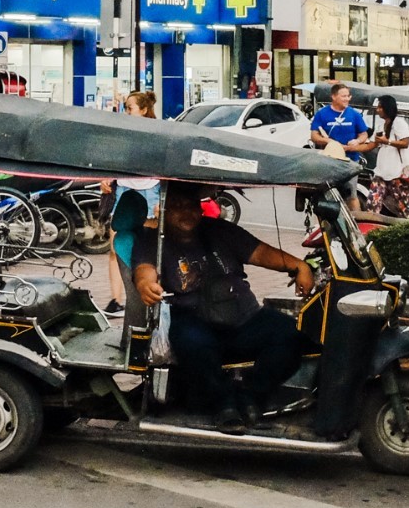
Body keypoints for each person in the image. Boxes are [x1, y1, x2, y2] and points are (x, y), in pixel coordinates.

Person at [132, 184, 317, 436]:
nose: (185, 213)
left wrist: (298, 266)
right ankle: (224, 405)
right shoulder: (153, 239)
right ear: (163, 210)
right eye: (176, 207)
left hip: (243, 316)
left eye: (190, 206)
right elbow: (144, 270)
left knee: (291, 335)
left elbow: (261, 253)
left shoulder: (221, 231)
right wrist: (146, 284)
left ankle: (251, 396)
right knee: (191, 343)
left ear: (200, 208)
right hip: (194, 318)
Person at [103, 90, 161, 315]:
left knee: (149, 245)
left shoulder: (157, 133)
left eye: (130, 108)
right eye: (125, 108)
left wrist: (161, 199)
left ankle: (149, 295)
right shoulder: (123, 133)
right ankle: (116, 300)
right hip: (125, 189)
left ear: (144, 110)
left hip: (150, 191)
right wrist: (107, 177)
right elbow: (115, 159)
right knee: (114, 245)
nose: (126, 112)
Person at [363, 95, 409, 217]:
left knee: (403, 206)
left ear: (387, 108)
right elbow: (370, 145)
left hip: (397, 174)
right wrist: (348, 147)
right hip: (381, 173)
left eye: (380, 107)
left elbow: (405, 143)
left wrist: (387, 141)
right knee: (373, 202)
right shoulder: (380, 126)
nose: (377, 110)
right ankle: (372, 227)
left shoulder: (399, 123)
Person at [309, 82, 371, 153]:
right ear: (333, 97)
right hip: (329, 156)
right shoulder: (321, 113)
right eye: (343, 96)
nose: (347, 99)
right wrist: (329, 141)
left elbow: (363, 134)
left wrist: (357, 141)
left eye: (348, 96)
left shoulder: (355, 114)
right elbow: (314, 136)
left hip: (351, 157)